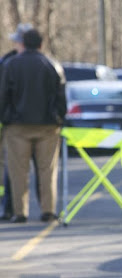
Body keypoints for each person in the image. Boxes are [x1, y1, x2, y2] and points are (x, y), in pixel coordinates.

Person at [0, 29, 67, 223]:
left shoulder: (11, 65)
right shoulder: (52, 64)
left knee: (18, 171)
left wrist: (5, 118)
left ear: (23, 43)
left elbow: (3, 95)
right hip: (47, 126)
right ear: (40, 44)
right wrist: (59, 117)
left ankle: (20, 212)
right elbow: (61, 95)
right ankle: (48, 210)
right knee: (48, 170)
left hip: (17, 126)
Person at [0, 23, 36, 220]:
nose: (14, 43)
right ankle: (9, 207)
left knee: (14, 169)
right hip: (12, 122)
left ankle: (13, 209)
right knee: (10, 169)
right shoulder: (7, 61)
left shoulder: (11, 63)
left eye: (16, 40)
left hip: (15, 124)